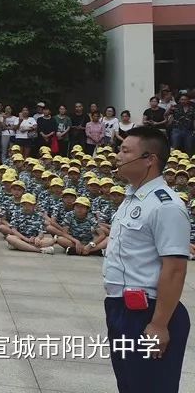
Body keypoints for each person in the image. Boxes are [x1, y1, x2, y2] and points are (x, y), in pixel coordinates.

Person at [104, 126, 190, 392]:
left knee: (151, 386)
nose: (118, 155)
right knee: (129, 384)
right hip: (120, 308)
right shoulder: (131, 199)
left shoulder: (166, 205)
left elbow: (175, 269)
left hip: (148, 314)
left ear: (149, 159)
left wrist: (159, 324)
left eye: (125, 150)